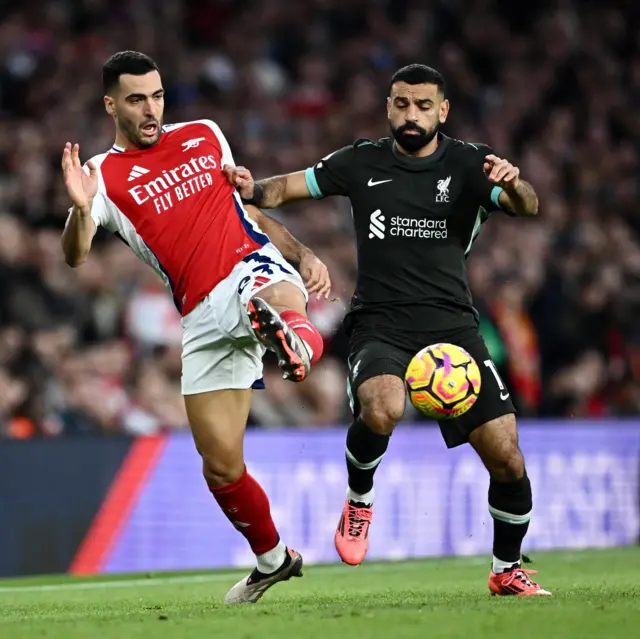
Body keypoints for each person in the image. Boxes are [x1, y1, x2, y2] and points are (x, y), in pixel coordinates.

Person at [225, 64, 551, 597]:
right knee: (383, 406)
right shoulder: (362, 161)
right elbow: (287, 187)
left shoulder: (470, 164)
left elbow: (528, 207)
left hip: (452, 326)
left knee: (507, 453)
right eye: (402, 103)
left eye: (424, 105)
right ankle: (359, 499)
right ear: (388, 106)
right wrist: (252, 187)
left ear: (442, 111)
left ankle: (505, 569)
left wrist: (513, 184)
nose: (412, 114)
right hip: (381, 320)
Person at [60, 50, 332, 604]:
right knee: (221, 465)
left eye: (158, 95)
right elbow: (75, 255)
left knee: (268, 293)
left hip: (246, 267)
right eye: (137, 99)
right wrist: (81, 211)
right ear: (111, 104)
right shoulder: (100, 176)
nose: (151, 108)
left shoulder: (206, 134)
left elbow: (247, 212)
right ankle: (274, 559)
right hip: (200, 318)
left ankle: (298, 343)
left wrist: (301, 252)